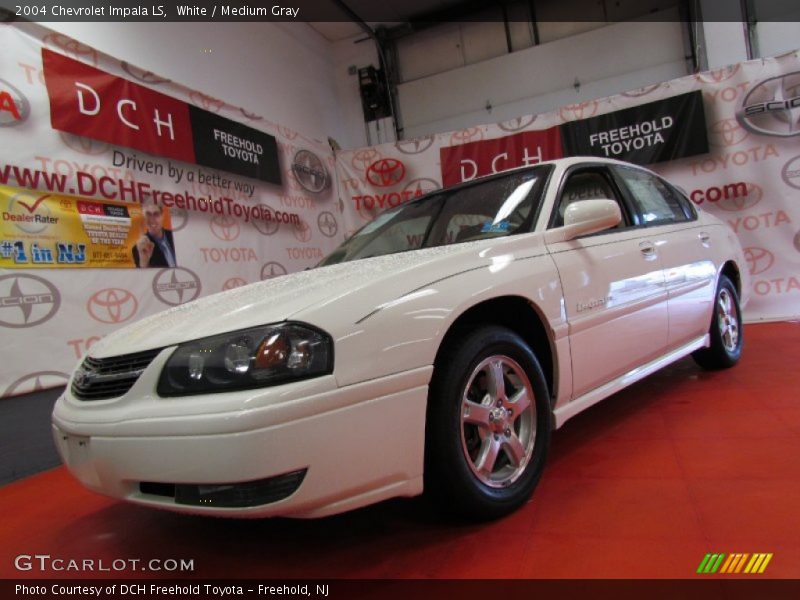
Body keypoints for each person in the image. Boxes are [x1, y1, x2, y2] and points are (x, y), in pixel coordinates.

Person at [132, 202, 177, 268]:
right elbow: (142, 274)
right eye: (148, 215)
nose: (152, 220)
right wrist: (144, 261)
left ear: (162, 216)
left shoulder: (176, 236)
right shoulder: (139, 248)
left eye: (156, 214)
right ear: (144, 218)